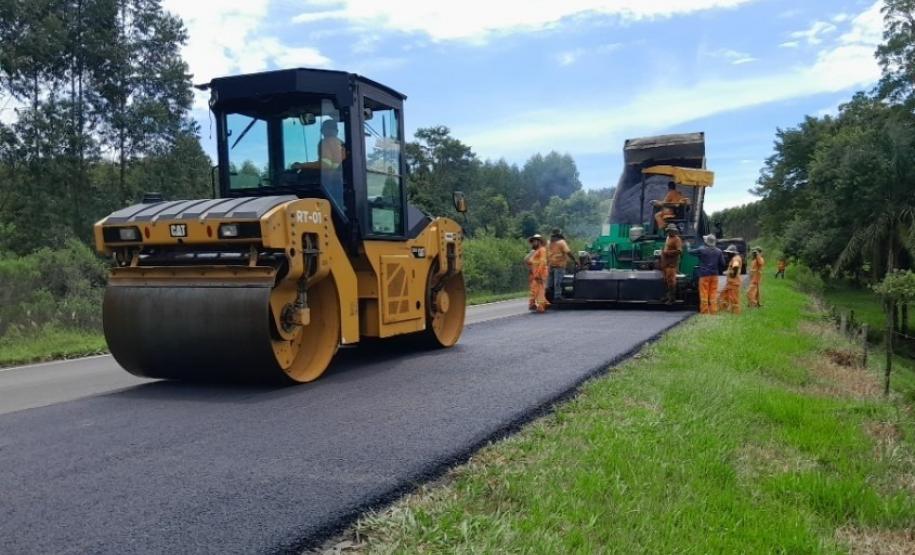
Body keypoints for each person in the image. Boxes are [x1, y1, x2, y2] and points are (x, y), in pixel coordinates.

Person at [689, 234, 726, 314]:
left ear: (706, 242)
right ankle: (713, 311)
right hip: (714, 275)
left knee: (704, 293)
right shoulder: (719, 251)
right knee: (713, 293)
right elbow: (723, 264)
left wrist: (688, 246)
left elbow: (690, 252)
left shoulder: (702, 250)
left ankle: (705, 311)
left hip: (704, 275)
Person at [547, 228, 576, 301]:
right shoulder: (561, 242)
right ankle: (558, 296)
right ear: (559, 234)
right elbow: (568, 252)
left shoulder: (548, 242)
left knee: (550, 282)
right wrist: (575, 260)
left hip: (550, 265)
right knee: (558, 282)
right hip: (559, 265)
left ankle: (549, 296)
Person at [525, 234, 550, 313]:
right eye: (531, 242)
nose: (532, 243)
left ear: (539, 241)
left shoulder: (542, 250)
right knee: (534, 289)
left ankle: (541, 306)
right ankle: (533, 304)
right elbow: (527, 260)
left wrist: (538, 274)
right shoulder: (535, 251)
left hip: (540, 274)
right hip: (535, 274)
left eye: (534, 241)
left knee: (540, 290)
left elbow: (543, 263)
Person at [659, 223, 683, 305]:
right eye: (668, 231)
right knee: (666, 280)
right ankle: (667, 296)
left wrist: (667, 252)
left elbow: (679, 251)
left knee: (671, 281)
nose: (669, 232)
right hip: (665, 263)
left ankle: (672, 299)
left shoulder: (677, 239)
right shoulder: (668, 238)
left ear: (674, 231)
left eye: (671, 231)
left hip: (671, 264)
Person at [719, 244, 743, 314]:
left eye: (728, 253)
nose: (727, 254)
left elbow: (735, 268)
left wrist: (730, 274)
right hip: (730, 283)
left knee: (734, 299)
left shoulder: (735, 259)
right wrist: (728, 272)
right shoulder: (735, 258)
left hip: (734, 283)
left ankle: (735, 314)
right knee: (724, 295)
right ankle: (724, 310)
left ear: (732, 253)